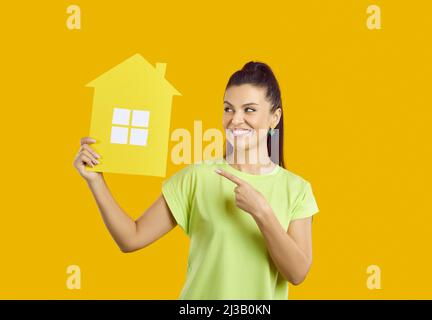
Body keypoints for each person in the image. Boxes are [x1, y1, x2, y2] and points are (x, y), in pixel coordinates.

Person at [73, 61, 319, 300]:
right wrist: (95, 181)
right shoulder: (197, 178)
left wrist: (262, 212)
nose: (235, 119)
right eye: (228, 108)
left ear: (274, 117)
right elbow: (131, 238)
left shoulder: (297, 190)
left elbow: (297, 273)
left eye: (249, 110)